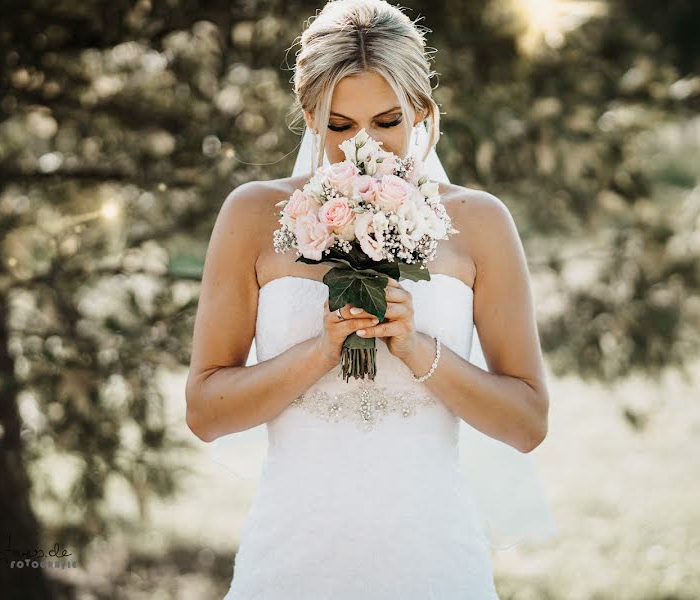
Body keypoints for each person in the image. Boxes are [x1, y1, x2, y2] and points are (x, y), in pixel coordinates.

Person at [185, 1, 553, 597]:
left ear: (421, 113)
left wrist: (415, 347)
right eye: (339, 125)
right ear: (308, 116)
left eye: (387, 122)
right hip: (290, 561)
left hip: (433, 562)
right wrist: (322, 349)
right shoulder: (253, 215)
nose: (365, 147)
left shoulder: (480, 222)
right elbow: (205, 412)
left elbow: (527, 423)